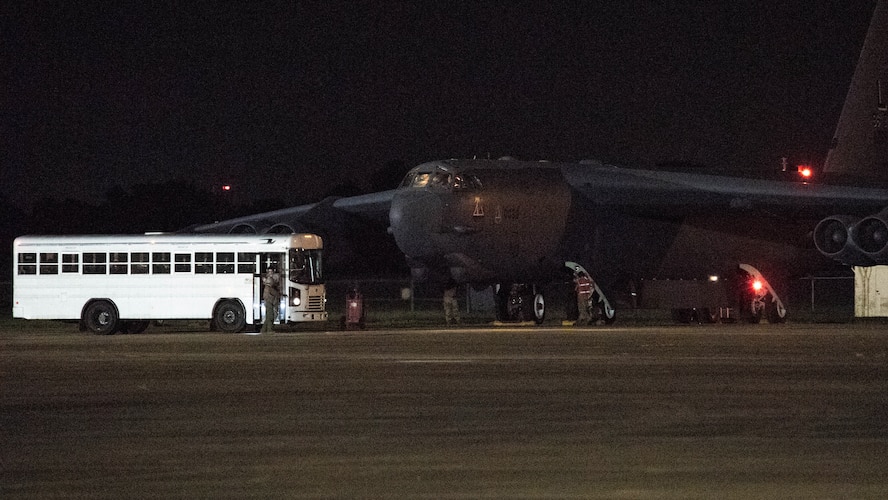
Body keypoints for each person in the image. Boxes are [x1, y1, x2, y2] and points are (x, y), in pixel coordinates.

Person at [261, 265, 282, 333]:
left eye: (271, 271)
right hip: (269, 300)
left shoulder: (268, 280)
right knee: (270, 315)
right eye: (269, 271)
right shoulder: (270, 281)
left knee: (269, 315)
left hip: (269, 300)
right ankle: (269, 330)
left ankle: (263, 330)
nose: (270, 273)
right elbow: (273, 291)